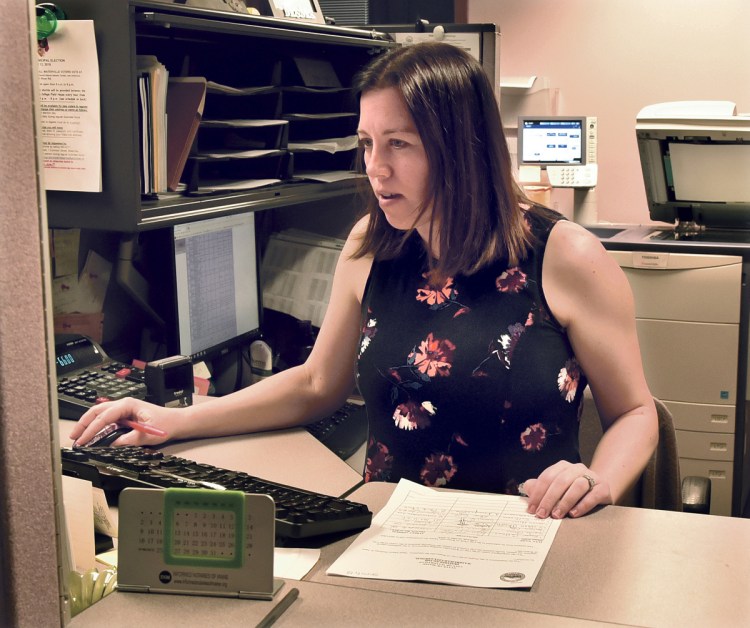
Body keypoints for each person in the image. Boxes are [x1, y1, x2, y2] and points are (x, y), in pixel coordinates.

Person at [70, 42, 658, 520]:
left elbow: (635, 412)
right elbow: (316, 384)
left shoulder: (564, 256)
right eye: (367, 143)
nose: (376, 168)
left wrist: (597, 480)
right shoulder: (370, 246)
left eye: (399, 144)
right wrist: (174, 419)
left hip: (529, 539)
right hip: (391, 535)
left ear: (462, 149)